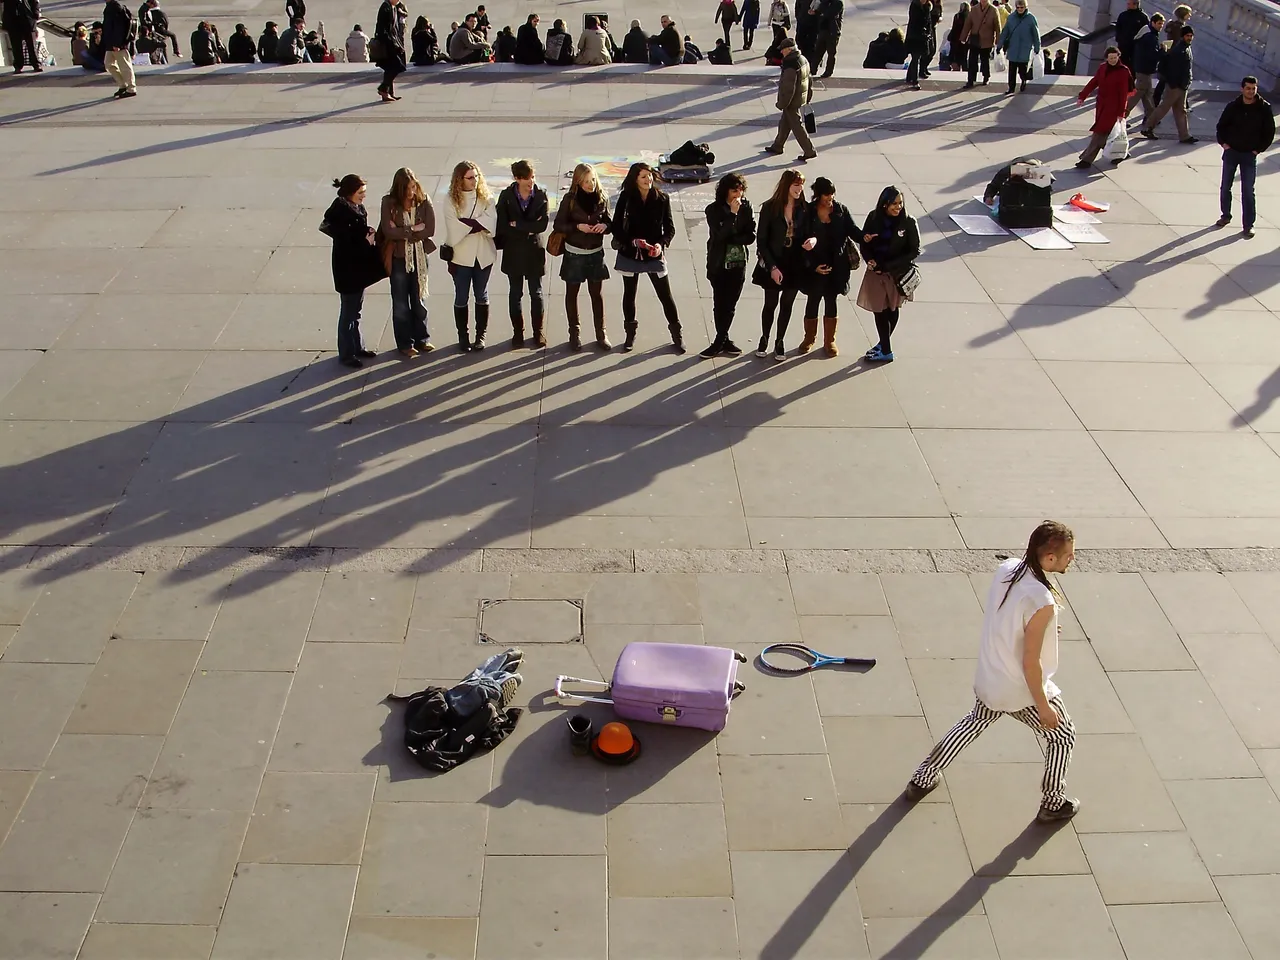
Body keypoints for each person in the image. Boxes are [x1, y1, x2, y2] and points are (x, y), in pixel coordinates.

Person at [904, 522, 1080, 824]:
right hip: (1018, 688)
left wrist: (1045, 631)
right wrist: (1043, 706)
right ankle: (1052, 802)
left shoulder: (1009, 570)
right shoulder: (1043, 601)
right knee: (1062, 736)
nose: (1072, 560)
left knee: (973, 722)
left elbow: (1012, 619)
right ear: (1050, 558)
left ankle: (923, 776)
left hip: (991, 676)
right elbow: (1030, 662)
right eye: (1068, 555)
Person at [612, 162, 684, 354]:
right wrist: (633, 242)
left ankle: (677, 334)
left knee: (665, 295)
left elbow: (670, 229)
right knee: (629, 294)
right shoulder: (626, 198)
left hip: (653, 254)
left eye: (650, 175)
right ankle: (630, 334)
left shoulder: (662, 199)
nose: (648, 179)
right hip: (630, 252)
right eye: (643, 176)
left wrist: (660, 245)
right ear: (635, 179)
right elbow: (616, 227)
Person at [322, 175, 385, 369]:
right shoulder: (341, 213)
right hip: (347, 270)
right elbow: (345, 243)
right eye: (361, 193)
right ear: (350, 193)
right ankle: (347, 353)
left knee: (355, 311)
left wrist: (367, 231)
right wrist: (366, 241)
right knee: (349, 313)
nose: (364, 196)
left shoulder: (354, 207)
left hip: (356, 269)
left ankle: (358, 346)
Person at [553, 163, 613, 352]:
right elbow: (558, 224)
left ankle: (601, 333)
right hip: (574, 253)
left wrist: (605, 227)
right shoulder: (570, 199)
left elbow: (609, 222)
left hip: (595, 253)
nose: (590, 184)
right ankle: (574, 333)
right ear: (578, 182)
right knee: (572, 294)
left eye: (593, 180)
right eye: (586, 181)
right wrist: (577, 227)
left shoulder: (602, 198)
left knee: (597, 294)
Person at [795, 177, 857, 357]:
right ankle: (809, 338)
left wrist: (866, 237)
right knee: (813, 301)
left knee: (831, 301)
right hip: (815, 266)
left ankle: (829, 341)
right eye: (826, 195)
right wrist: (813, 265)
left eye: (832, 194)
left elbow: (852, 230)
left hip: (836, 266)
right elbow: (802, 239)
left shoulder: (840, 210)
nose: (830, 198)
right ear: (818, 195)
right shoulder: (809, 212)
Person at [857, 186, 920, 363]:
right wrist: (869, 259)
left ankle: (885, 348)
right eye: (894, 203)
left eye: (900, 203)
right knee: (880, 309)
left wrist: (889, 265)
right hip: (876, 273)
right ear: (884, 204)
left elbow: (914, 250)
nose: (898, 207)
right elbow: (864, 241)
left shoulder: (908, 222)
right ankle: (884, 346)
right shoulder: (873, 218)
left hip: (896, 274)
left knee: (892, 308)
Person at [378, 167, 435, 358]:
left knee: (419, 300)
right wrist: (413, 229)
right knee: (401, 303)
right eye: (408, 188)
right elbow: (388, 230)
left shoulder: (423, 200)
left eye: (413, 186)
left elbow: (430, 229)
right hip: (399, 259)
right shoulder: (388, 203)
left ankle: (423, 339)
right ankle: (405, 343)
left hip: (419, 257)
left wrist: (402, 231)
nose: (411, 192)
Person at [444, 161, 498, 352]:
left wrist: (468, 224)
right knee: (461, 297)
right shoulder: (450, 199)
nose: (474, 181)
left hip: (483, 255)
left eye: (476, 176)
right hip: (461, 257)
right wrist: (478, 224)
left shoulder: (486, 198)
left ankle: (480, 335)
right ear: (460, 179)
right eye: (469, 177)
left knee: (481, 295)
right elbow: (454, 228)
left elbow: (491, 223)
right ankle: (463, 337)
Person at [702, 173, 757, 358]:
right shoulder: (713, 210)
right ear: (726, 191)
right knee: (720, 303)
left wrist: (734, 238)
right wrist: (732, 214)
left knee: (731, 304)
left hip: (738, 263)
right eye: (735, 190)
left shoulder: (746, 207)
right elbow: (719, 235)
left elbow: (750, 235)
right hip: (719, 262)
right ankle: (721, 339)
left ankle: (722, 339)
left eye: (741, 190)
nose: (738, 194)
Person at [753, 169, 806, 361]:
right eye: (796, 185)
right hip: (775, 259)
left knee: (787, 304)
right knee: (770, 303)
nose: (799, 189)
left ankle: (780, 340)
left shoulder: (804, 209)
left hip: (794, 261)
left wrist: (811, 241)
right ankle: (764, 337)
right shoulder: (770, 208)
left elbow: (809, 232)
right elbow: (762, 241)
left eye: (801, 185)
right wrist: (772, 267)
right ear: (787, 186)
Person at [496, 160, 550, 348]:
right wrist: (527, 228)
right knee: (515, 293)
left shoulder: (541, 195)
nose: (531, 181)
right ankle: (518, 333)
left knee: (536, 293)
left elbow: (542, 225)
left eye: (532, 177)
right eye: (527, 178)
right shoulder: (506, 196)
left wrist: (517, 225)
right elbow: (502, 225)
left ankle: (538, 332)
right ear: (517, 178)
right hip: (514, 252)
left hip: (534, 251)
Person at [1216, 76, 1274, 239]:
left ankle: (1248, 225)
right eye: (1248, 88)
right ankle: (1225, 215)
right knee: (1225, 186)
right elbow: (1221, 126)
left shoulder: (1264, 108)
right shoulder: (1233, 107)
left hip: (1249, 155)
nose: (1251, 91)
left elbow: (1269, 132)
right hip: (1232, 152)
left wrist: (1258, 150)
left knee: (1248, 190)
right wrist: (1224, 144)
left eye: (1253, 88)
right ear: (1242, 89)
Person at [1075, 46, 1133, 168]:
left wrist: (1121, 112)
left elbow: (1123, 94)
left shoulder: (1123, 71)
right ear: (1106, 58)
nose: (1113, 60)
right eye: (1110, 58)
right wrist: (1082, 96)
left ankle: (1086, 160)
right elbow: (1094, 82)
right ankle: (1122, 153)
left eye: (1115, 57)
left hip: (1113, 108)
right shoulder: (1102, 68)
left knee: (1099, 133)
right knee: (1109, 134)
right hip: (1102, 106)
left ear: (1119, 57)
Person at [1141, 25, 1197, 144]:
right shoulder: (1179, 51)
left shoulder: (1185, 48)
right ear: (1183, 36)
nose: (1190, 38)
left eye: (1191, 36)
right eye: (1188, 36)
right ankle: (1148, 127)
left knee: (1181, 111)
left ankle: (1184, 136)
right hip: (1176, 86)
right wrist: (1174, 84)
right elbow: (1173, 69)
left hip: (1182, 85)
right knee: (1164, 107)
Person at [765, 38, 818, 162]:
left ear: (789, 50)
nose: (781, 53)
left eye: (783, 50)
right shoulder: (803, 59)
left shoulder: (791, 65)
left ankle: (809, 150)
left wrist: (782, 103)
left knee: (797, 126)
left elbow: (788, 88)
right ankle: (778, 145)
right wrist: (808, 96)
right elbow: (809, 80)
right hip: (800, 97)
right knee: (785, 123)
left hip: (792, 101)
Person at [1126, 12, 1163, 123]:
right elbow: (1153, 55)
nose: (1161, 26)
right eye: (1159, 23)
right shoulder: (1151, 37)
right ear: (1153, 23)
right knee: (1138, 94)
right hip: (1144, 70)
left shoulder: (1147, 33)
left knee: (1147, 95)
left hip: (1143, 68)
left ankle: (1152, 118)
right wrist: (1163, 51)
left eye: (1162, 24)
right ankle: (1121, 115)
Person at [997, 0, 1039, 93]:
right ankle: (1011, 88)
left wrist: (1037, 47)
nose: (1020, 9)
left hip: (1025, 49)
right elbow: (1005, 32)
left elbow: (1036, 34)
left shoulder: (1031, 18)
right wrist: (999, 45)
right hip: (1013, 48)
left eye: (1022, 7)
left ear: (1025, 7)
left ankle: (1023, 81)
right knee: (1011, 71)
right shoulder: (1011, 18)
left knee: (1022, 71)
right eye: (1018, 7)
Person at [102, 0, 138, 97]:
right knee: (108, 64)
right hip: (111, 43)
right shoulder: (110, 6)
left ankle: (131, 88)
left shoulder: (115, 7)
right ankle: (123, 85)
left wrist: (117, 43)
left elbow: (119, 27)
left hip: (117, 44)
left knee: (125, 66)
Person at [960, 0, 998, 87]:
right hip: (975, 40)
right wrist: (963, 37)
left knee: (985, 61)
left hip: (987, 40)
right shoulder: (974, 9)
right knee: (972, 61)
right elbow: (967, 24)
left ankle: (986, 77)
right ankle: (970, 80)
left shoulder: (993, 10)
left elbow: (997, 26)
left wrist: (998, 41)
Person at [374, 0, 406, 101]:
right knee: (397, 66)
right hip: (388, 44)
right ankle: (383, 89)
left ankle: (388, 93)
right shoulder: (386, 8)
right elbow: (382, 29)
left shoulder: (392, 7)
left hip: (392, 42)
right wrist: (391, 43)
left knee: (390, 67)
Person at [5, 0, 40, 72]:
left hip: (27, 18)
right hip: (12, 19)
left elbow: (35, 1)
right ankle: (18, 65)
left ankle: (36, 64)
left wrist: (36, 13)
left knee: (31, 44)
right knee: (16, 45)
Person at [905, 0, 932, 89]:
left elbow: (929, 21)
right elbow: (915, 21)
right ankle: (915, 81)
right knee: (916, 57)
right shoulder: (915, 5)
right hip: (914, 36)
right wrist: (923, 30)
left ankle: (909, 77)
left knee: (917, 57)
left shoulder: (927, 6)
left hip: (923, 37)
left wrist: (929, 32)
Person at [1113, 0, 1148, 69]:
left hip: (1136, 47)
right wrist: (1119, 39)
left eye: (1129, 4)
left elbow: (1146, 31)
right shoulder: (1123, 15)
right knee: (1121, 65)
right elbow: (1118, 28)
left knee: (1133, 66)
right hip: (1123, 46)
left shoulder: (1142, 17)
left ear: (1135, 5)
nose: (1127, 6)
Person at [811, 0, 842, 77]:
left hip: (832, 32)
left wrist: (822, 13)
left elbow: (830, 14)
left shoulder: (838, 3)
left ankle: (828, 71)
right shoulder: (825, 2)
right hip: (823, 30)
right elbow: (819, 11)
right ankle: (813, 70)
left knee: (831, 53)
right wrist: (821, 13)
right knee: (818, 51)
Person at [946, 1, 970, 71]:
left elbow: (954, 28)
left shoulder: (957, 16)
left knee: (956, 57)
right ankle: (965, 70)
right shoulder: (969, 16)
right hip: (965, 39)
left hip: (956, 39)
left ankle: (956, 69)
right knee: (964, 57)